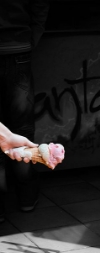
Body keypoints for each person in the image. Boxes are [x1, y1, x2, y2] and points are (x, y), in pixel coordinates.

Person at [0, 0, 49, 219]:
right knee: (22, 129)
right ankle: (26, 195)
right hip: (17, 45)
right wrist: (32, 35)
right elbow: (40, 4)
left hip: (17, 44)